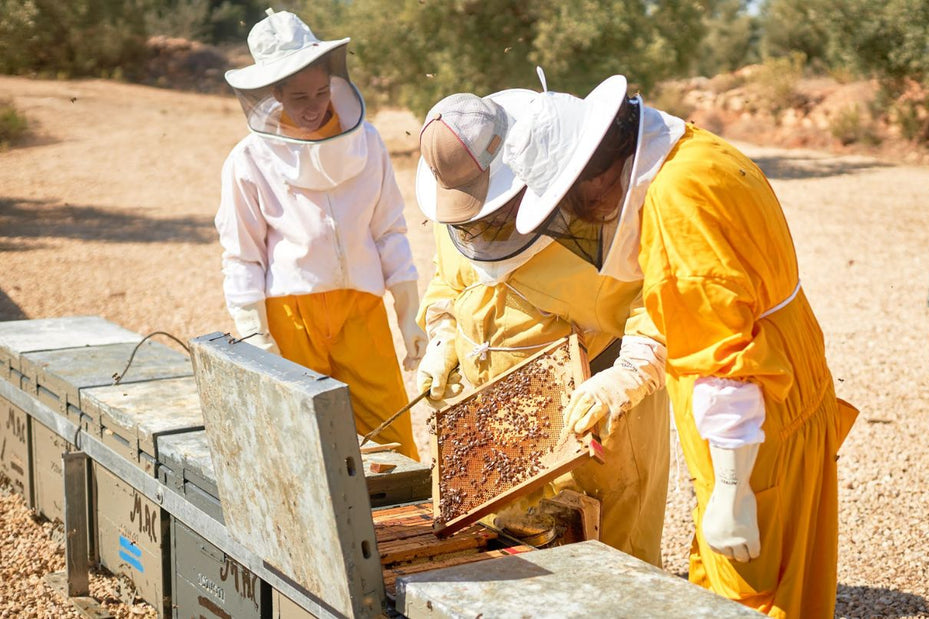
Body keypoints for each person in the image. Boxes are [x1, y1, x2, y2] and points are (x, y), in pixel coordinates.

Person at [502, 73, 860, 617]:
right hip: (789, 397)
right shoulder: (693, 151)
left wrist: (734, 490)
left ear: (593, 175)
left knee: (748, 600)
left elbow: (725, 354)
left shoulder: (676, 198)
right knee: (792, 584)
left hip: (754, 428)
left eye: (571, 198)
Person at [413, 89, 670, 565]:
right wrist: (445, 338)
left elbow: (664, 297)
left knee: (612, 564)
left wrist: (629, 374)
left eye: (490, 213)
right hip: (499, 429)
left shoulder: (593, 203)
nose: (481, 229)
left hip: (598, 417)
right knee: (514, 565)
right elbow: (447, 280)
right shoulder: (456, 207)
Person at [215, 9, 425, 459]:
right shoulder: (248, 160)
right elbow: (242, 256)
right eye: (298, 97)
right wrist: (254, 336)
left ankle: (401, 528)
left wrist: (408, 312)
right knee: (302, 447)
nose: (313, 107)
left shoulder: (367, 142)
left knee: (391, 437)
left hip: (361, 312)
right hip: (290, 315)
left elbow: (388, 229)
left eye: (320, 91)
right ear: (273, 95)